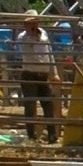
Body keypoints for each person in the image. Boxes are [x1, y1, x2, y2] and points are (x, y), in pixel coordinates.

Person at [15, 10, 61, 144]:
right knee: (30, 105)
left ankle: (52, 135)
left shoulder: (44, 34)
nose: (33, 25)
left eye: (35, 22)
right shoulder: (23, 37)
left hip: (43, 74)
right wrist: (33, 36)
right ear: (25, 25)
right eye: (30, 23)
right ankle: (31, 135)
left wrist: (54, 72)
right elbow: (30, 49)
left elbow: (49, 52)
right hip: (30, 74)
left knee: (48, 104)